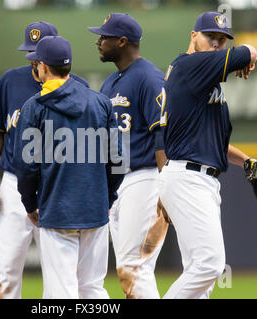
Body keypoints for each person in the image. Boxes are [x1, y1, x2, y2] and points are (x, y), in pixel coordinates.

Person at [0, 21, 89, 299]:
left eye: (39, 52)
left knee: (61, 273)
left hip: (57, 186)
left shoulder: (79, 87)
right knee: (7, 270)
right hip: (15, 184)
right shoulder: (9, 81)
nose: (34, 58)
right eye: (31, 52)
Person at [13, 35, 124, 299]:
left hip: (57, 211)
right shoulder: (101, 102)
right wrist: (107, 197)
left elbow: (27, 166)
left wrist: (30, 203)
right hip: (95, 211)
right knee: (93, 289)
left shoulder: (34, 107)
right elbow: (119, 158)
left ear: (42, 66)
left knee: (60, 292)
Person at [158, 12, 257, 299]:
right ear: (193, 36)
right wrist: (248, 57)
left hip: (197, 176)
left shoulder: (202, 80)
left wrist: (247, 161)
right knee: (209, 265)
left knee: (200, 276)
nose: (216, 44)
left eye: (221, 40)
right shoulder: (191, 65)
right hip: (188, 178)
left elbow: (211, 141)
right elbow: (249, 50)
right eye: (210, 37)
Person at [88, 13, 168, 298]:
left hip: (144, 178)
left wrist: (166, 186)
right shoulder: (110, 83)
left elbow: (163, 134)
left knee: (134, 267)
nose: (98, 41)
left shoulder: (149, 77)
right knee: (128, 267)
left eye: (104, 37)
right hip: (117, 184)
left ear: (122, 42)